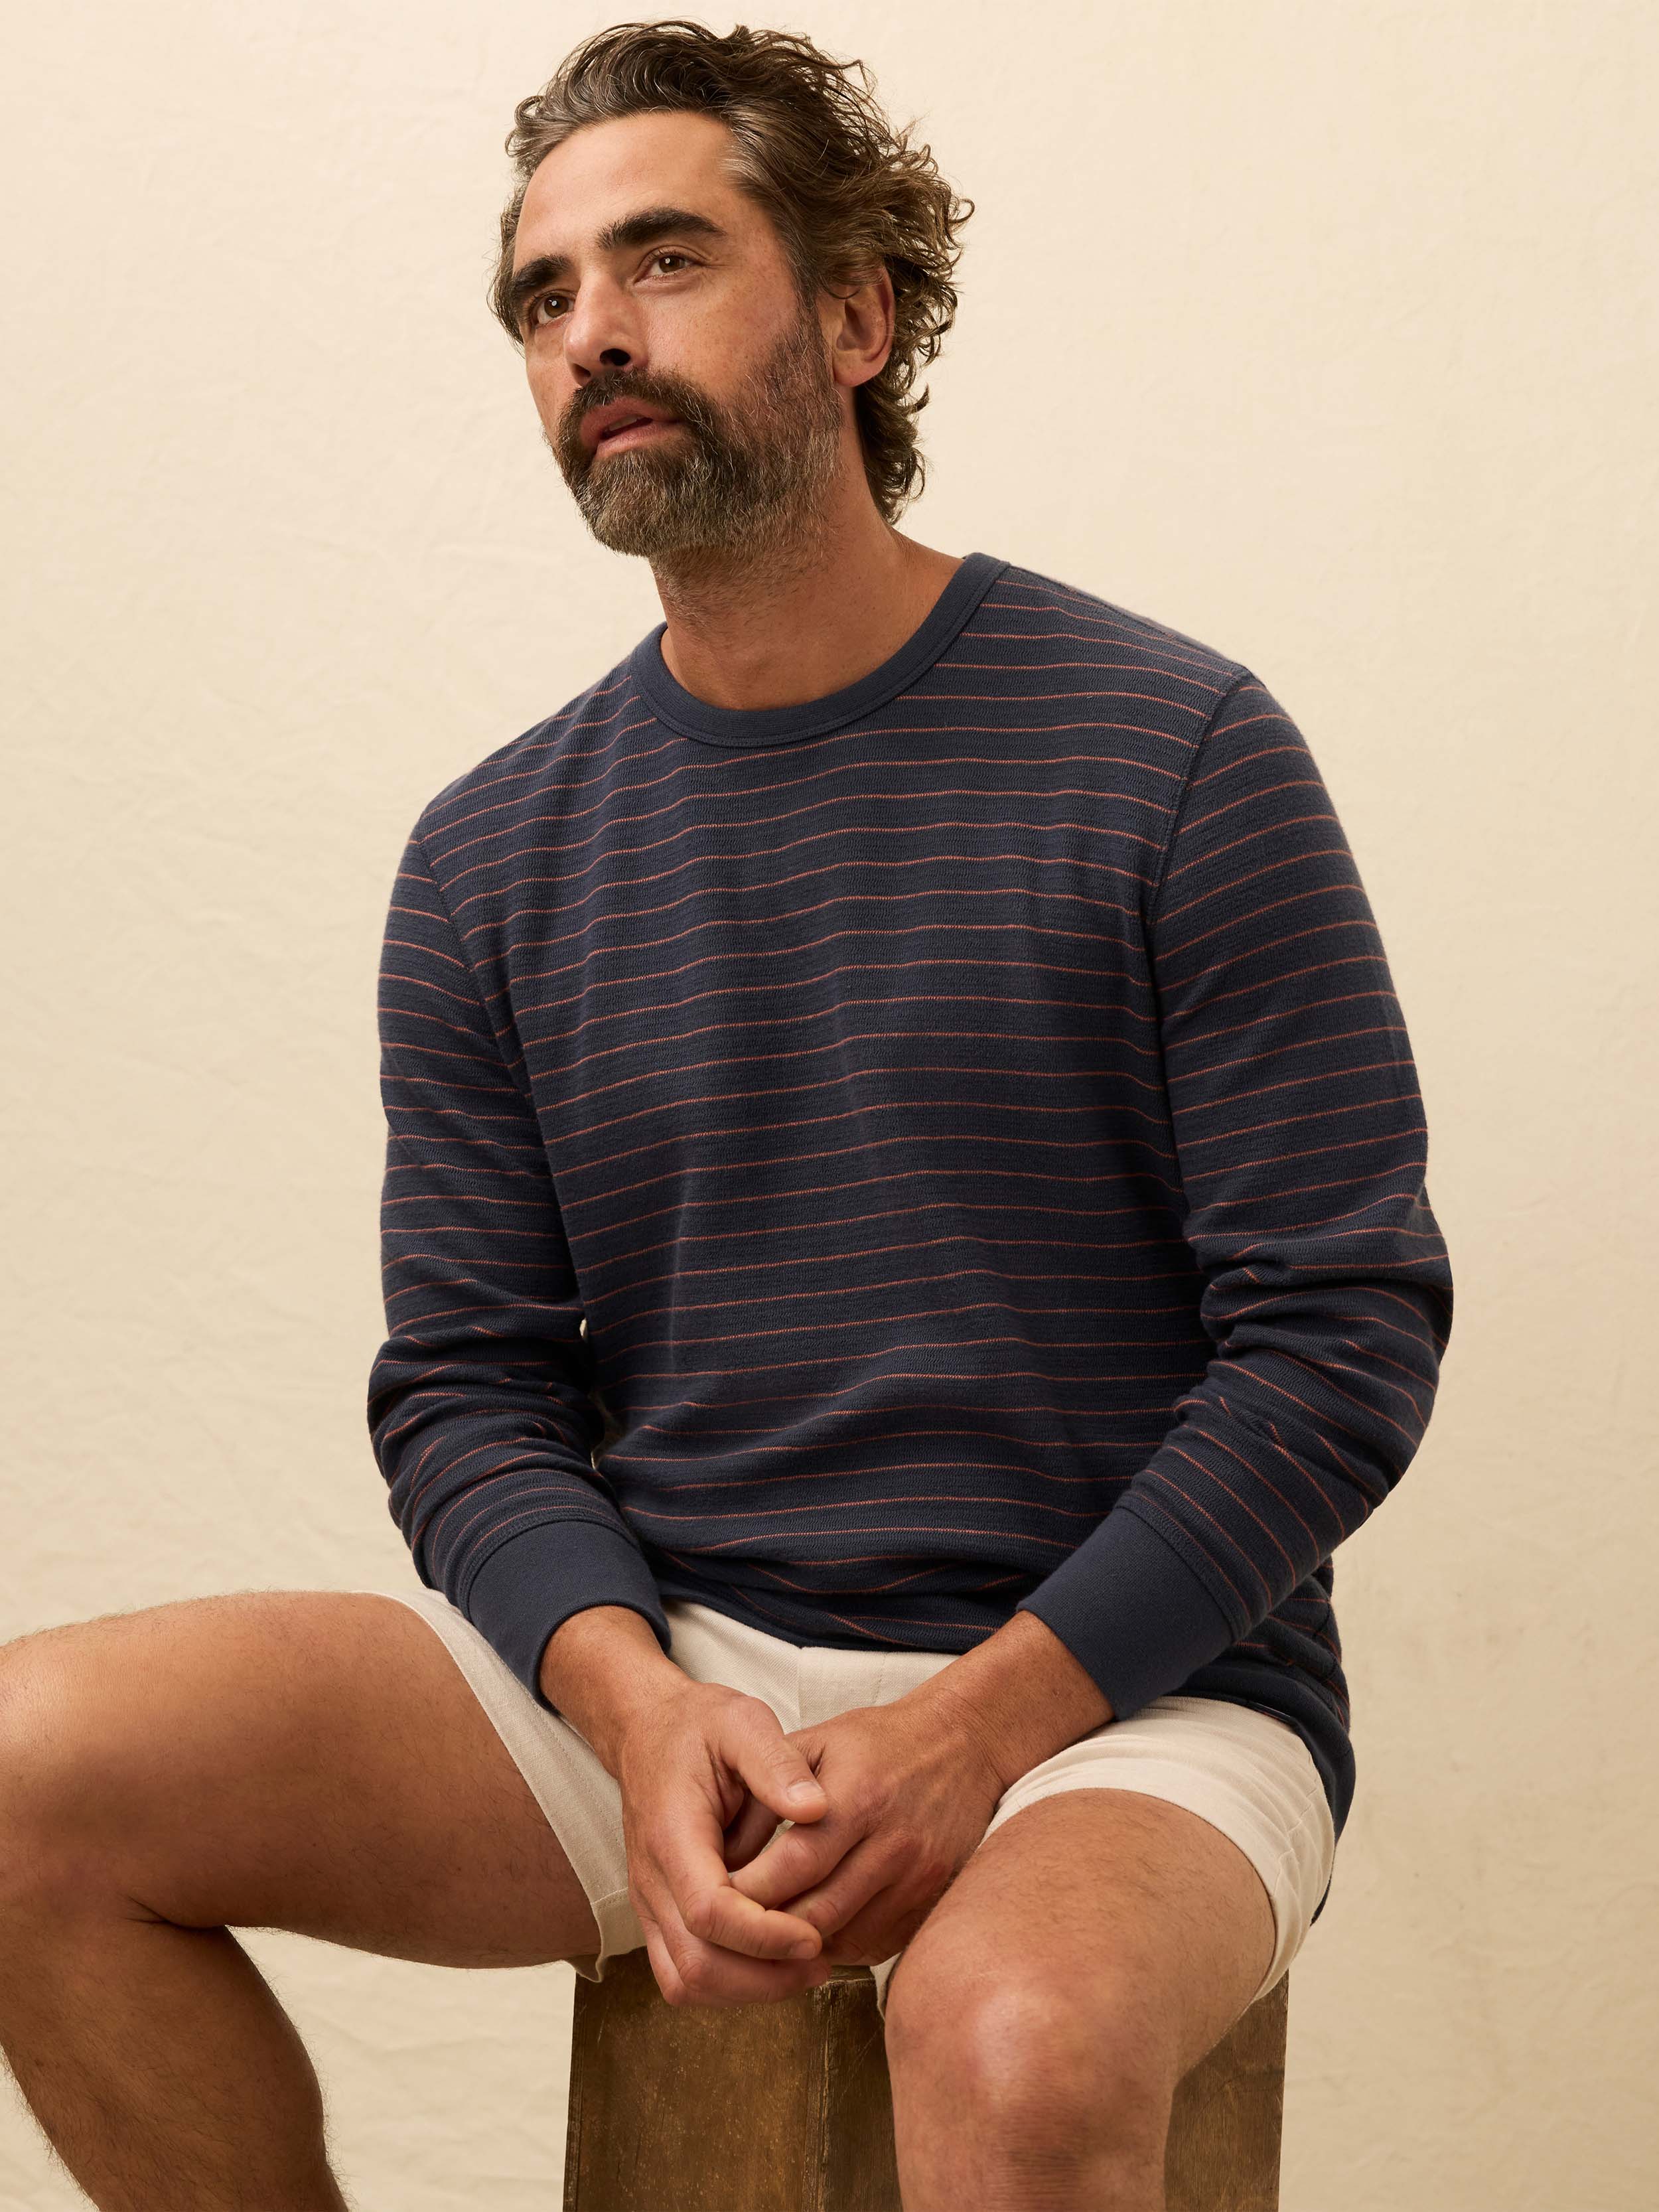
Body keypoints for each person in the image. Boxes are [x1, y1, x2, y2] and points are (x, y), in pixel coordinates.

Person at [0, 21, 1451, 2211]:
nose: (592, 330)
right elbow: (469, 1389)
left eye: (664, 260)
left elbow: (1338, 1338)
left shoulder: (1172, 751)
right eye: (543, 294)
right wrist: (640, 1709)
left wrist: (973, 1728)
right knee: (28, 1777)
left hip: (1129, 1694)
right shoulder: (488, 857)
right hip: (681, 1672)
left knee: (1018, 2040)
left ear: (855, 317)